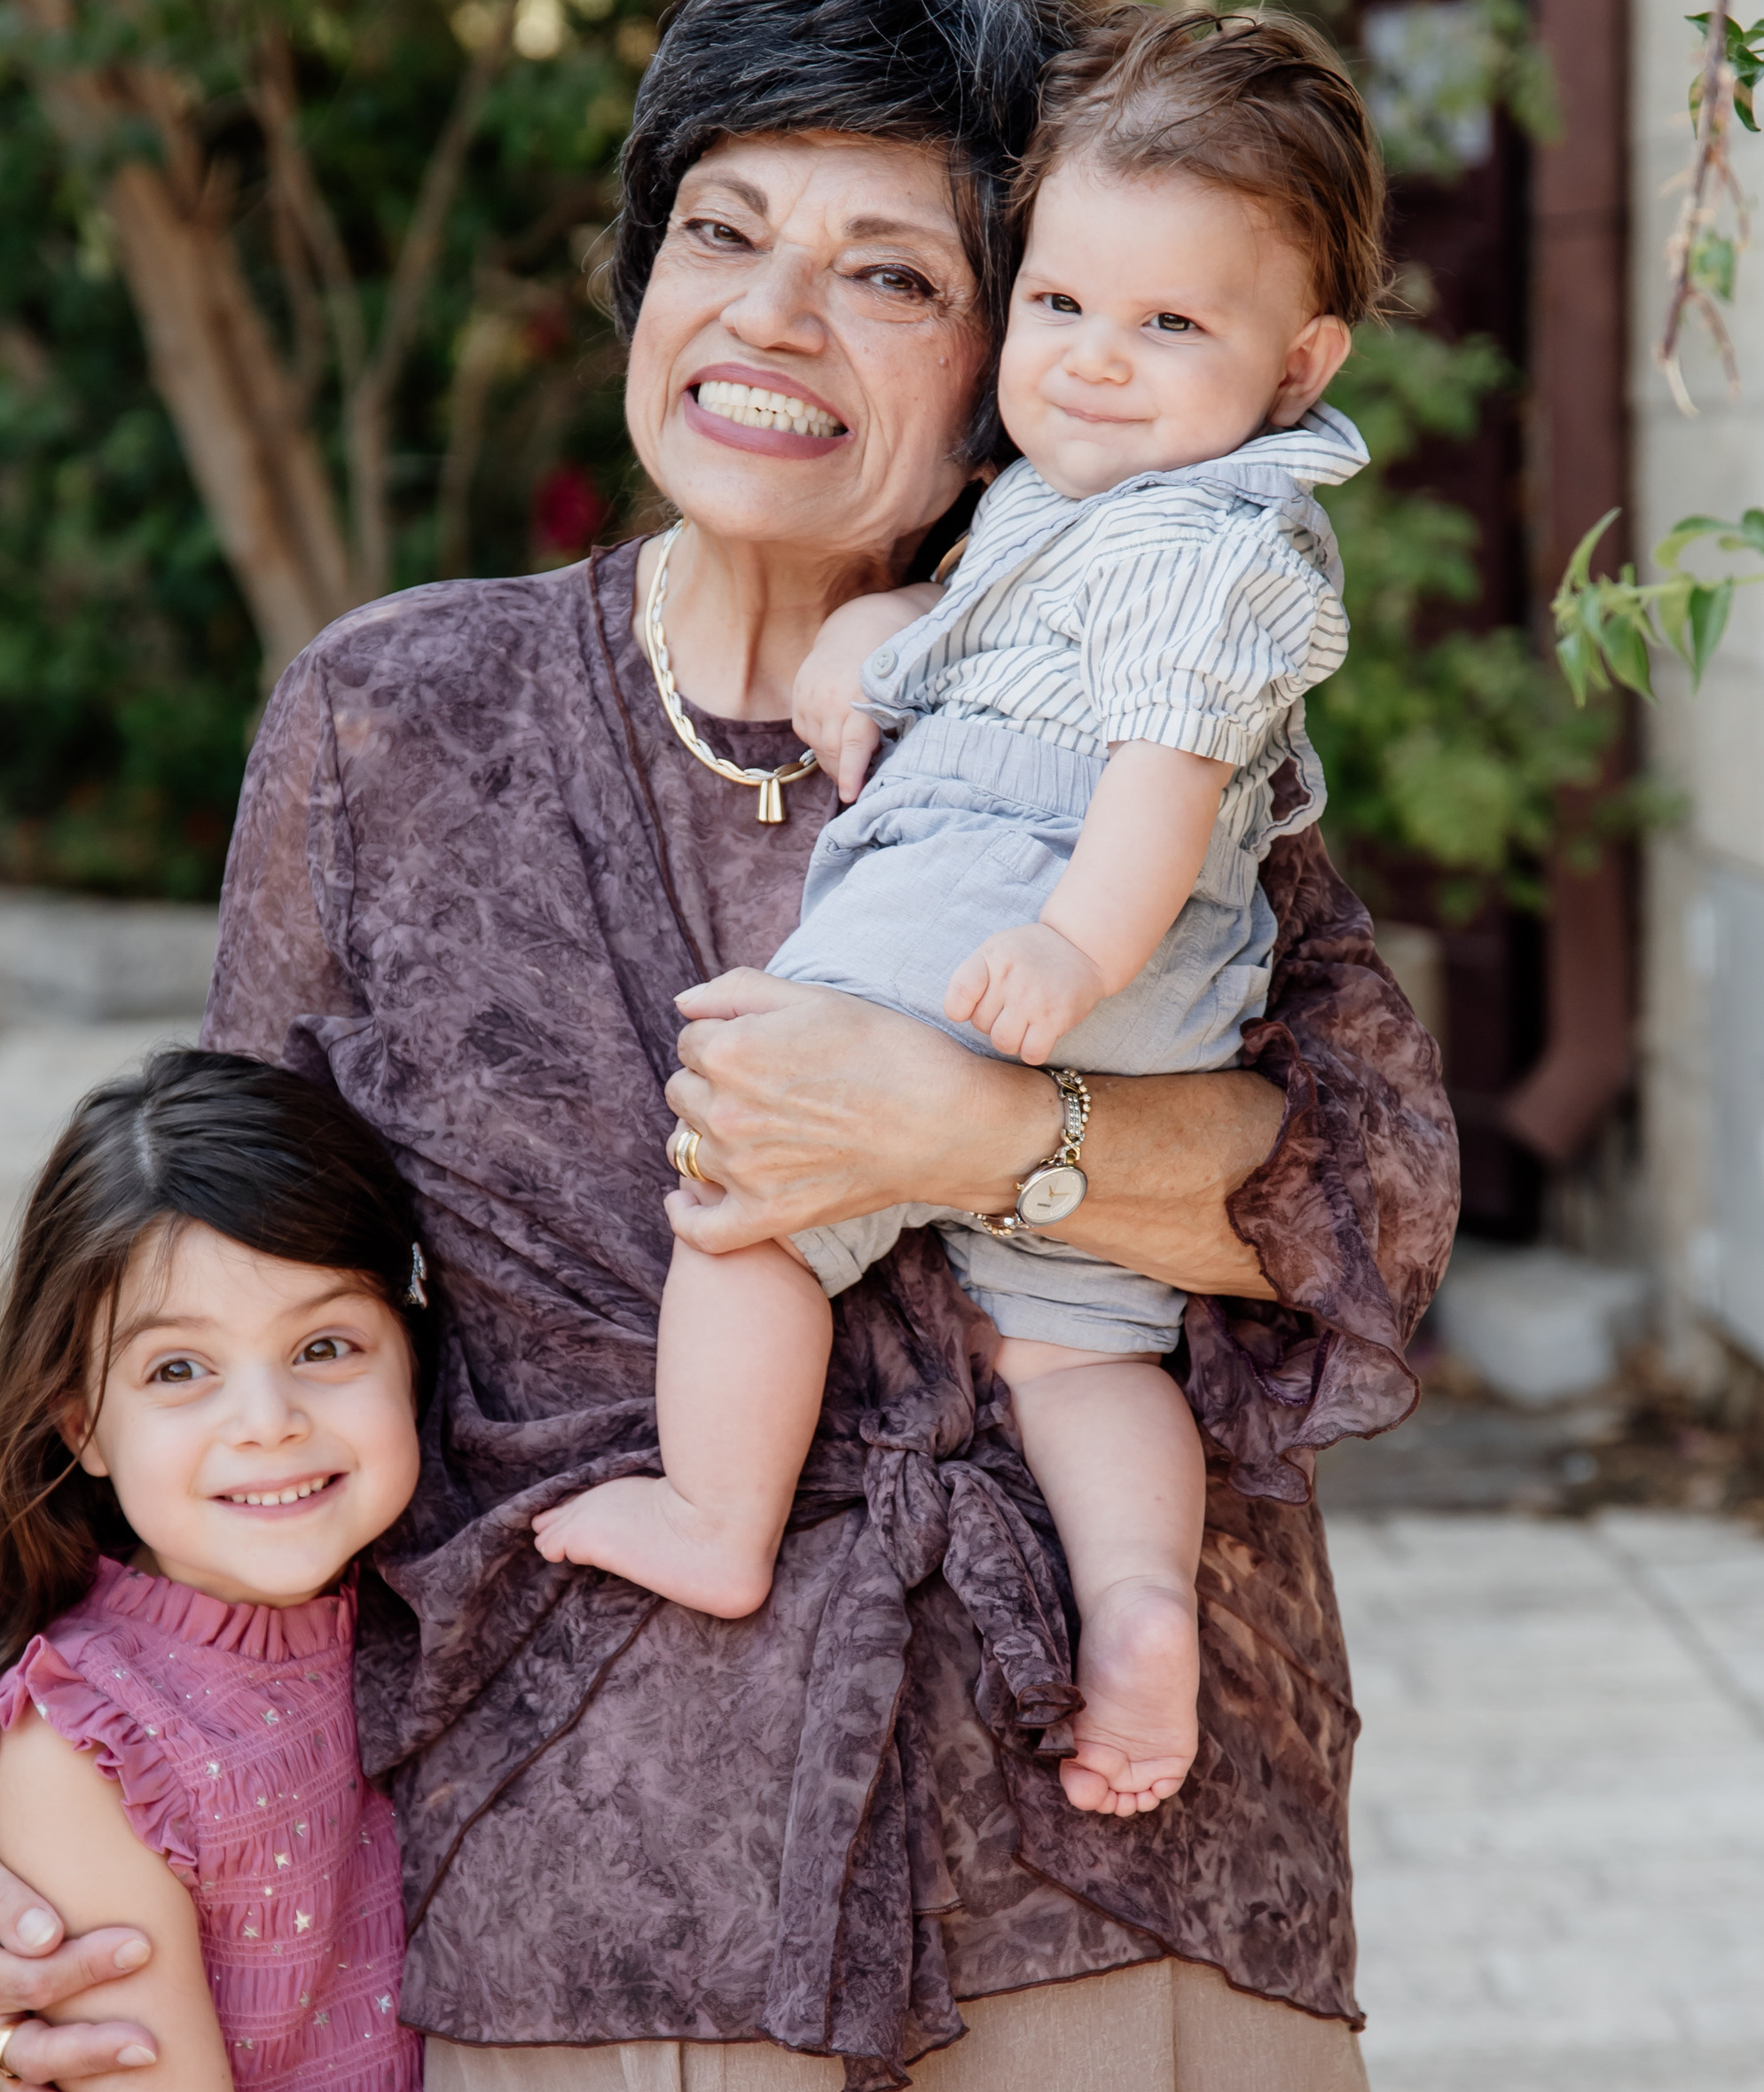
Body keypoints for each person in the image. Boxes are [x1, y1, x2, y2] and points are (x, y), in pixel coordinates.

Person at [0, 4, 1455, 2092]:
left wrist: (975, 1128)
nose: (774, 321)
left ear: (1005, 330)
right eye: (719, 233)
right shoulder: (394, 719)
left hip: (1103, 1863)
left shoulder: (1119, 696)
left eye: (894, 271)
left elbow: (1360, 1210)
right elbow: (223, 1337)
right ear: (633, 278)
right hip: (562, 1890)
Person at [531, 11, 1383, 1829]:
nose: (1092, 362)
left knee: (751, 1174)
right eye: (1065, 306)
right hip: (1139, 979)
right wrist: (875, 648)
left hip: (1013, 913)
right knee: (1081, 1340)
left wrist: (1036, 1023)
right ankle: (1136, 1601)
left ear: (1297, 362)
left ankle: (712, 1509)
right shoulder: (1089, 514)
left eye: (890, 272)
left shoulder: (1185, 540)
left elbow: (1370, 1189)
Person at [0, 1051, 717, 2092]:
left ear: (411, 1353)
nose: (266, 1420)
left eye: (325, 1348)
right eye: (178, 1370)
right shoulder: (89, 1742)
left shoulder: (424, 1596)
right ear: (80, 1423)